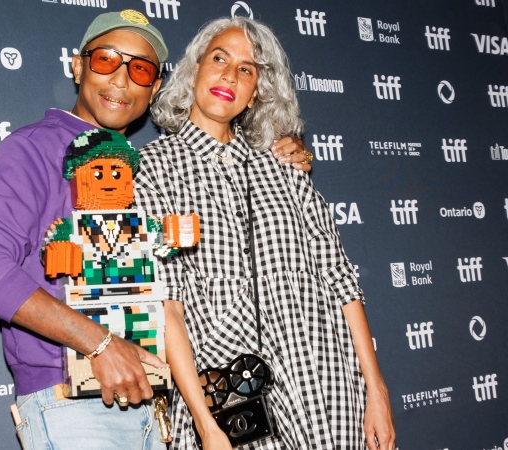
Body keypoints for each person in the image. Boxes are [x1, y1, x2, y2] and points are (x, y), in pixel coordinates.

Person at [0, 10, 311, 450]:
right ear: (78, 65)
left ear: (154, 87)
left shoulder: (141, 167)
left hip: (153, 405)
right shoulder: (36, 148)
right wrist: (99, 343)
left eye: (139, 69)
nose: (121, 79)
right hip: (74, 405)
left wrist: (279, 151)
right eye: (106, 60)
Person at [134, 16, 395, 450]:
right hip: (228, 407)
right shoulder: (153, 171)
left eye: (246, 69)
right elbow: (168, 310)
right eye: (219, 58)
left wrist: (377, 391)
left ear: (256, 91)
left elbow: (341, 281)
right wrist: (205, 425)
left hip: (326, 391)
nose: (229, 75)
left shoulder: (286, 168)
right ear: (194, 69)